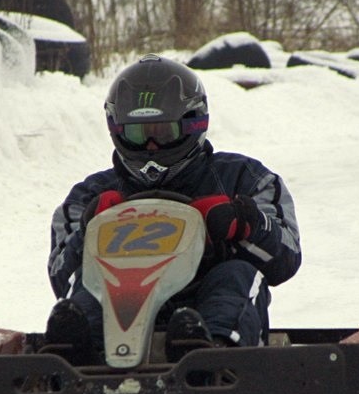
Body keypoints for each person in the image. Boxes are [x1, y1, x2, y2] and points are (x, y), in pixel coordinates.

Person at [46, 54, 301, 363]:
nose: (151, 146)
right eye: (138, 134)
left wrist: (245, 223)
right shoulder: (89, 196)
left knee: (238, 274)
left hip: (204, 304)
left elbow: (287, 258)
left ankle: (213, 356)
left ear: (194, 123)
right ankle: (76, 360)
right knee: (84, 284)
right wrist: (90, 230)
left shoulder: (245, 178)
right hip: (120, 305)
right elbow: (61, 277)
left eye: (163, 132)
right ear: (118, 130)